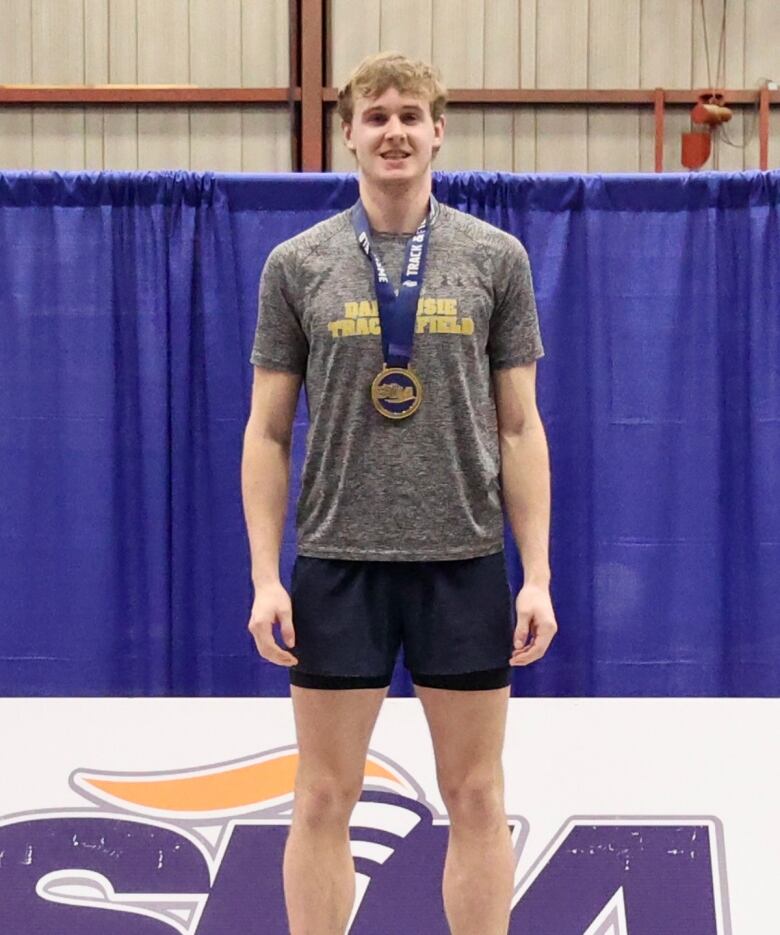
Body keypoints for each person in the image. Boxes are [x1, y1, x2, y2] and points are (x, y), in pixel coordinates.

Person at [242, 51, 557, 935]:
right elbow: (266, 431)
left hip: (462, 561)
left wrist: (533, 574)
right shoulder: (296, 264)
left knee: (479, 795)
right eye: (376, 116)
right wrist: (269, 576)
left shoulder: (496, 258)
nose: (394, 131)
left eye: (410, 116)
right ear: (347, 133)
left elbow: (521, 427)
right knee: (320, 798)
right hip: (339, 563)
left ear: (438, 132)